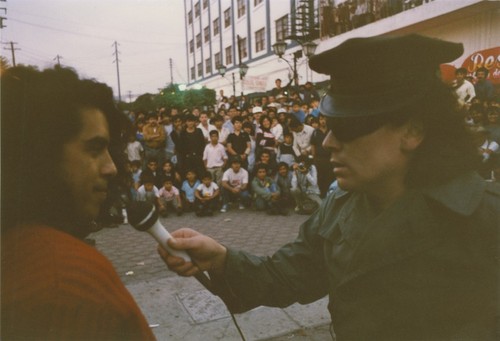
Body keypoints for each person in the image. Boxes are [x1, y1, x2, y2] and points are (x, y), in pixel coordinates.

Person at [158, 34, 499, 340]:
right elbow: (287, 276)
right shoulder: (341, 204)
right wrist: (221, 259)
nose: (329, 143)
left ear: (412, 130)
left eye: (349, 127)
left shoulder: (486, 218)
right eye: (328, 126)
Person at [2, 66, 155, 339]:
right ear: (41, 154)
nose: (111, 168)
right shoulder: (67, 277)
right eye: (94, 149)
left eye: (110, 150)